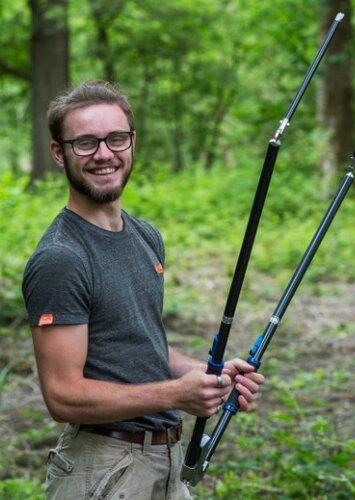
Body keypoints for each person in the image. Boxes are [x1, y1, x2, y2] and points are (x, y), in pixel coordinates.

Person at [22, 80, 265, 500]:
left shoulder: (145, 235)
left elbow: (140, 345)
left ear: (132, 143)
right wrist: (175, 394)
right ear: (59, 153)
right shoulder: (62, 259)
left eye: (116, 138)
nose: (104, 154)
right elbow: (63, 395)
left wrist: (209, 375)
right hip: (104, 468)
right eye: (85, 143)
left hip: (166, 463)